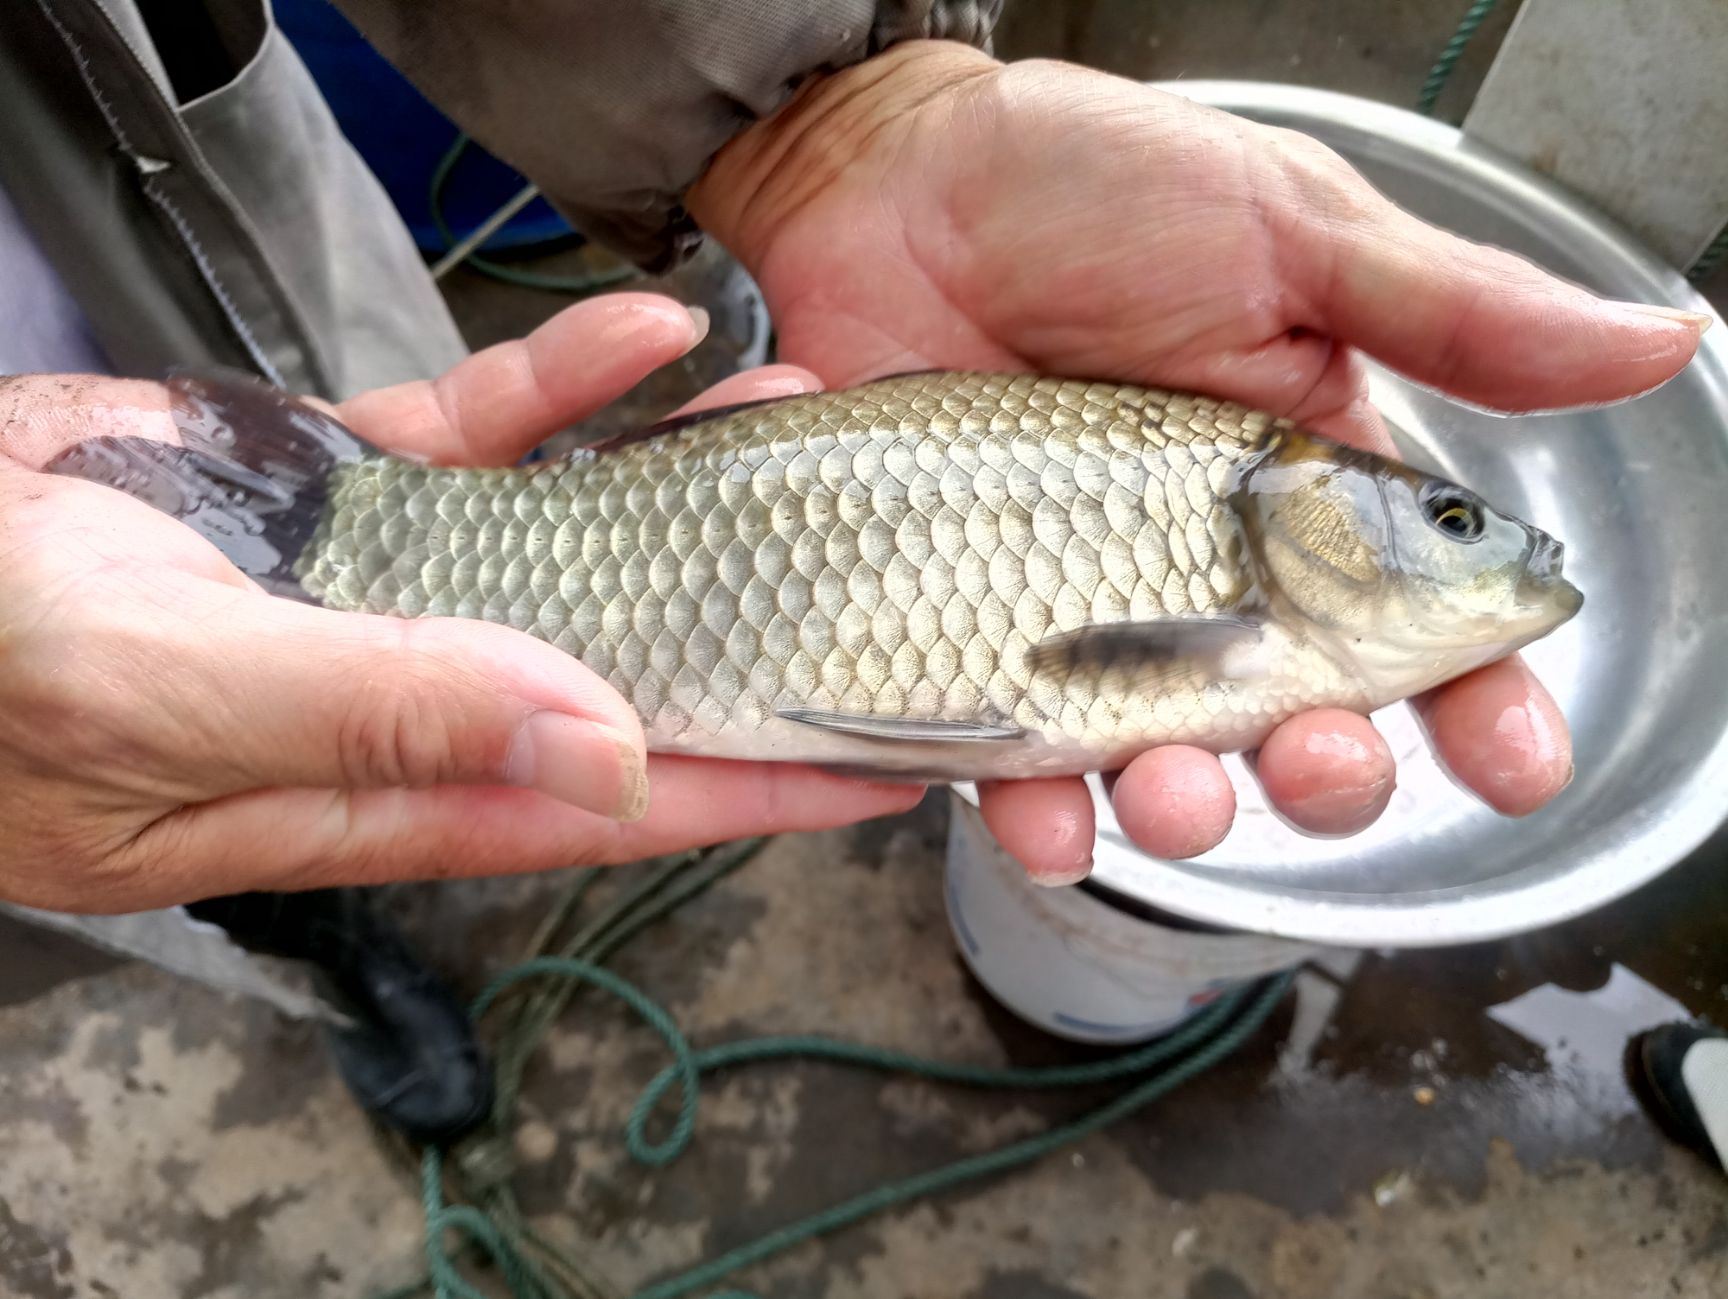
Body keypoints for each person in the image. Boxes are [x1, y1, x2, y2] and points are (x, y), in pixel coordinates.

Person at [0, 1, 1709, 1141]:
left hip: (182, 220)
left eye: (1461, 522)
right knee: (198, 759)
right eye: (1459, 529)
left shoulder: (1246, 540)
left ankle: (311, 827)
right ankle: (316, 944)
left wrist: (829, 104)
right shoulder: (1246, 566)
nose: (1486, 549)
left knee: (270, 679)